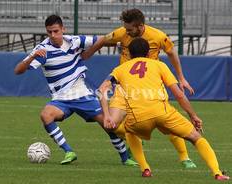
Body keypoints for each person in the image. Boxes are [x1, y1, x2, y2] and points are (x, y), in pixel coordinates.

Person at [98, 37, 230, 181]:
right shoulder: (159, 65)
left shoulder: (120, 69)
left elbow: (101, 89)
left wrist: (107, 115)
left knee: (130, 132)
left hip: (138, 117)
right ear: (149, 53)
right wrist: (193, 116)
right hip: (162, 112)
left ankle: (145, 169)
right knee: (196, 138)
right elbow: (179, 95)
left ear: (128, 54)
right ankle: (217, 173)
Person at [14, 14, 137, 166]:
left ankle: (126, 157)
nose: (53, 35)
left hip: (82, 95)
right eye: (49, 32)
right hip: (60, 99)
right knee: (46, 115)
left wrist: (117, 44)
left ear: (63, 29)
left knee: (108, 124)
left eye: (56, 31)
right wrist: (32, 58)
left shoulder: (75, 41)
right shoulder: (42, 50)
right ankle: (68, 151)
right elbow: (18, 70)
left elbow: (102, 40)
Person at [82, 8, 196, 168]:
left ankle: (184, 157)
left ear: (140, 26)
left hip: (151, 86)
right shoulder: (122, 33)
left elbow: (172, 53)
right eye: (125, 29)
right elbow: (103, 40)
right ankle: (134, 137)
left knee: (167, 123)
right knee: (112, 124)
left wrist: (181, 78)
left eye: (129, 29)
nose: (126, 32)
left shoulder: (158, 36)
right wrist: (89, 53)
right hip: (125, 86)